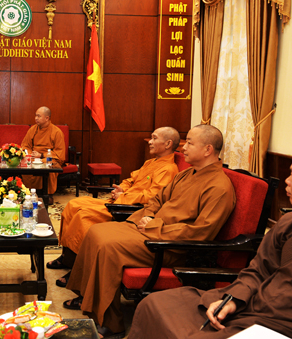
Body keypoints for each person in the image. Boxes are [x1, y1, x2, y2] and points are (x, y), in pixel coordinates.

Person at [128, 144, 292, 339]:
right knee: (157, 304)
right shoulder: (290, 223)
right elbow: (257, 270)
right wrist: (234, 298)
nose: (286, 181)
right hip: (253, 308)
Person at [63, 124, 236, 339]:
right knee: (97, 232)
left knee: (108, 245)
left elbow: (201, 232)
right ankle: (88, 299)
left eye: (190, 143)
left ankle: (111, 323)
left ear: (208, 149)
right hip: (151, 231)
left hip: (171, 246)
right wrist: (148, 218)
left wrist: (155, 226)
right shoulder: (187, 174)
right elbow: (157, 199)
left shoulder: (219, 187)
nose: (183, 148)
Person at [48, 127, 181, 287]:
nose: (150, 142)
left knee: (83, 216)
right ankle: (68, 257)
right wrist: (122, 188)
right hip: (121, 200)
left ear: (167, 144)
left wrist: (124, 197)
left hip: (130, 209)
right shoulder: (151, 162)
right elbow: (132, 179)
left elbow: (153, 197)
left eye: (154, 138)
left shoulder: (169, 169)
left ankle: (80, 268)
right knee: (73, 203)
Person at [21, 106, 66, 205]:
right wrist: (29, 154)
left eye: (39, 116)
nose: (36, 118)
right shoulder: (32, 130)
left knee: (48, 164)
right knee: (27, 163)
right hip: (33, 157)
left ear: (47, 118)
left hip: (48, 158)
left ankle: (48, 194)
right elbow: (25, 145)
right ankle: (30, 192)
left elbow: (59, 153)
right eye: (35, 116)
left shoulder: (56, 132)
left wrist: (41, 155)